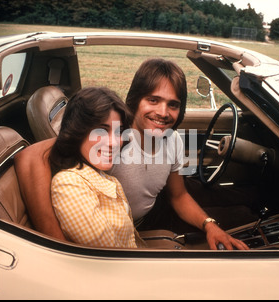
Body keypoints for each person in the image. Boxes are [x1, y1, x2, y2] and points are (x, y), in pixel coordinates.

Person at [15, 58, 249, 250]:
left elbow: (178, 196)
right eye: (153, 100)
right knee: (242, 216)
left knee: (243, 198)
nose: (163, 112)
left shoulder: (174, 139)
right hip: (135, 225)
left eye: (173, 104)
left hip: (159, 203)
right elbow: (28, 156)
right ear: (135, 100)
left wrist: (209, 225)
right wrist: (58, 245)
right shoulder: (115, 137)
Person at [47, 86, 144, 248]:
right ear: (78, 131)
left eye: (119, 131)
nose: (114, 142)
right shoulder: (68, 183)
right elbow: (110, 256)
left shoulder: (101, 175)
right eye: (102, 130)